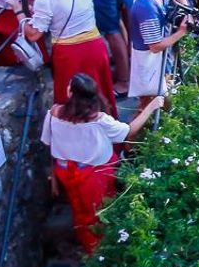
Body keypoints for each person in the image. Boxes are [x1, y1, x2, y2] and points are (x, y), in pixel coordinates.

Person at [43, 73, 160, 251]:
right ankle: (101, 248)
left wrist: (53, 177)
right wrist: (151, 106)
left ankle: (88, 244)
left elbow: (48, 142)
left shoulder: (54, 113)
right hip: (94, 174)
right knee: (99, 211)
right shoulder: (99, 120)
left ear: (71, 93)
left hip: (66, 172)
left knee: (79, 209)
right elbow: (129, 131)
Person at [128, 0, 190, 112]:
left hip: (157, 59)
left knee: (161, 96)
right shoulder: (146, 9)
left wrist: (186, 10)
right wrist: (181, 32)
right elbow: (155, 46)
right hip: (149, 61)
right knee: (150, 103)